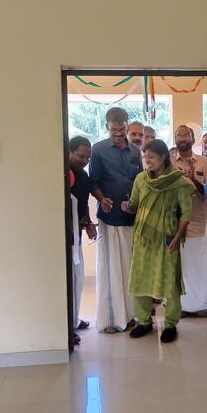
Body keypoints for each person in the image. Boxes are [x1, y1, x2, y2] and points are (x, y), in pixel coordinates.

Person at [121, 140, 192, 343]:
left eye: (151, 157)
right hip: (143, 237)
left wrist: (177, 238)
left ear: (163, 157)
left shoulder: (179, 182)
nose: (147, 161)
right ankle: (144, 321)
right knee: (140, 278)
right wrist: (128, 207)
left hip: (167, 238)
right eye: (145, 157)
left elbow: (186, 213)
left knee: (169, 281)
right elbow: (135, 204)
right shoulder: (141, 179)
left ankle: (170, 324)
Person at [89, 107, 142, 333]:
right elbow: (93, 182)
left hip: (131, 217)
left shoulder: (136, 151)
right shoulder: (98, 149)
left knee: (129, 268)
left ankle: (129, 316)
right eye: (114, 130)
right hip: (109, 217)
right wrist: (102, 199)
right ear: (107, 127)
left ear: (127, 126)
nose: (119, 134)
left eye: (122, 130)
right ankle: (111, 319)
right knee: (111, 270)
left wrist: (136, 203)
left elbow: (140, 180)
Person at [171, 125, 207, 317]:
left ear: (193, 139)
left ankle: (203, 305)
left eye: (186, 135)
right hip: (175, 223)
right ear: (175, 139)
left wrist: (193, 178)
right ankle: (185, 307)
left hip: (198, 221)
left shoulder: (204, 162)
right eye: (179, 136)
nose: (182, 139)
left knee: (200, 264)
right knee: (181, 266)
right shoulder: (169, 162)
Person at [69, 136, 97, 335]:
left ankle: (74, 319)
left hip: (77, 234)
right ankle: (68, 325)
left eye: (88, 158)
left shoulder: (83, 175)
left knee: (78, 278)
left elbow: (83, 202)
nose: (84, 161)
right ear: (69, 152)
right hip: (64, 235)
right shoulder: (61, 173)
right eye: (80, 156)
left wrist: (88, 223)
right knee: (69, 279)